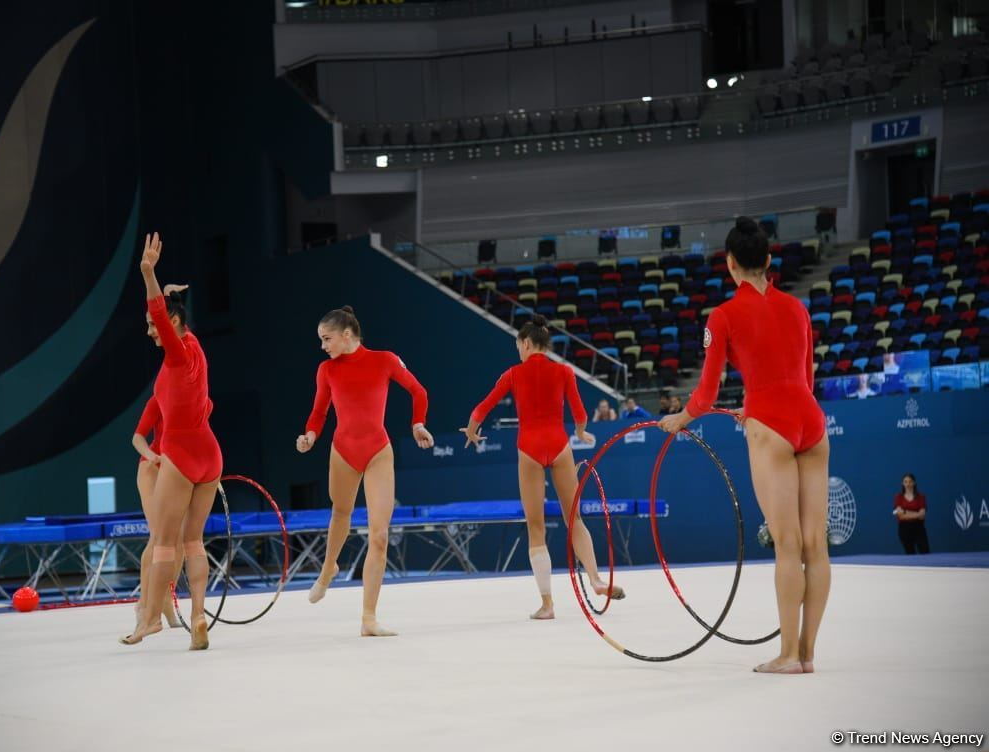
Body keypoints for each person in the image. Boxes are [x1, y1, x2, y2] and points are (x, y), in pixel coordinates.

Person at [659, 217, 830, 675]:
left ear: (730, 264)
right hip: (810, 420)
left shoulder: (723, 316)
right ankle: (807, 653)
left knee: (788, 543)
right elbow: (805, 381)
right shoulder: (798, 308)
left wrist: (679, 420)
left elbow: (706, 395)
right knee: (816, 544)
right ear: (769, 262)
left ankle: (789, 655)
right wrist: (760, 405)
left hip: (770, 424)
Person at [462, 315, 624, 620]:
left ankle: (547, 604)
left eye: (518, 347)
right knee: (574, 519)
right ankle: (595, 579)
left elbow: (481, 408)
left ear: (525, 343)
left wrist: (471, 431)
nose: (518, 353)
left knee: (536, 529)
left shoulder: (513, 374)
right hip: (559, 445)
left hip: (529, 449)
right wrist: (579, 433)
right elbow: (579, 412)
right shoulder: (564, 371)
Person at [297, 306, 434, 637]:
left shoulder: (384, 360)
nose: (323, 346)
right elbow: (319, 411)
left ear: (346, 335)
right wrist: (310, 436)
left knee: (380, 534)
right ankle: (329, 567)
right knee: (340, 514)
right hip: (343, 451)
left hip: (377, 451)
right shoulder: (326, 370)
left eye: (326, 339)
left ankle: (368, 618)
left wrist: (418, 423)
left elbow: (419, 391)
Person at [121, 233, 223, 650]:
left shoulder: (177, 356)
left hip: (179, 453)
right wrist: (168, 294)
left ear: (175, 325)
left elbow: (160, 314)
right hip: (209, 453)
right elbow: (172, 316)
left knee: (164, 543)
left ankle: (148, 621)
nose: (152, 333)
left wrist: (148, 273)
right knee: (193, 541)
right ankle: (198, 614)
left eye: (158, 327)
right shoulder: (196, 349)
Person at [129, 395, 183, 632]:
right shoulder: (159, 400)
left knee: (180, 540)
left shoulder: (201, 400)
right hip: (152, 468)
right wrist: (152, 456)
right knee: (160, 536)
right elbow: (137, 437)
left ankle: (164, 600)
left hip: (179, 471)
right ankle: (144, 604)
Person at [893, 473, 930, 554]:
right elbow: (901, 516)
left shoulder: (921, 497)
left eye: (910, 481)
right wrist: (916, 514)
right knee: (910, 554)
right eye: (905, 482)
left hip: (919, 528)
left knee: (925, 552)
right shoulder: (898, 497)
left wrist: (905, 511)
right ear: (902, 483)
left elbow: (922, 516)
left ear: (914, 483)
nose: (908, 484)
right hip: (904, 529)